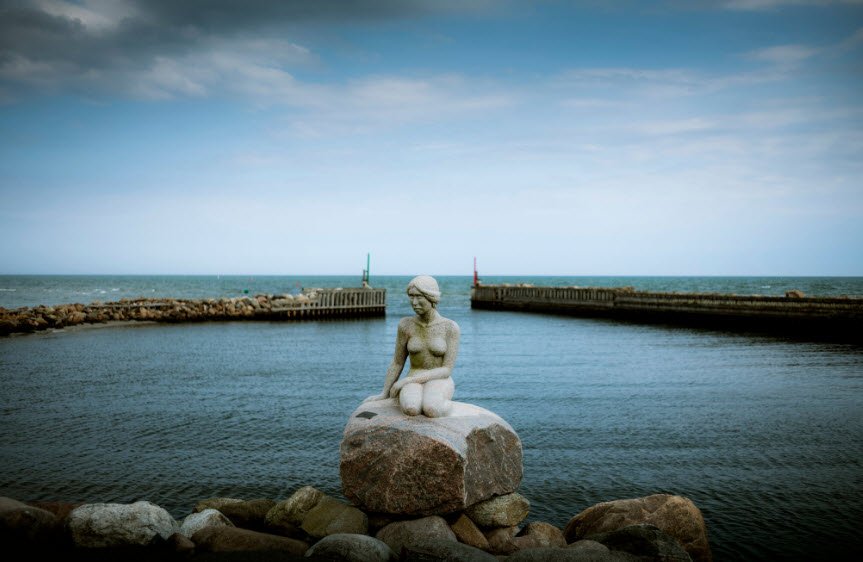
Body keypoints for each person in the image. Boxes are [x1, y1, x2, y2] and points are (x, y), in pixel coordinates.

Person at [364, 275, 460, 417]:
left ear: (431, 297)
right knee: (411, 409)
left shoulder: (450, 327)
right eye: (411, 296)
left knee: (432, 409)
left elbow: (446, 369)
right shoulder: (406, 325)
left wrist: (408, 380)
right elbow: (397, 362)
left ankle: (449, 405)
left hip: (439, 380)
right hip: (414, 376)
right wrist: (384, 393)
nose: (414, 302)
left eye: (419, 296)